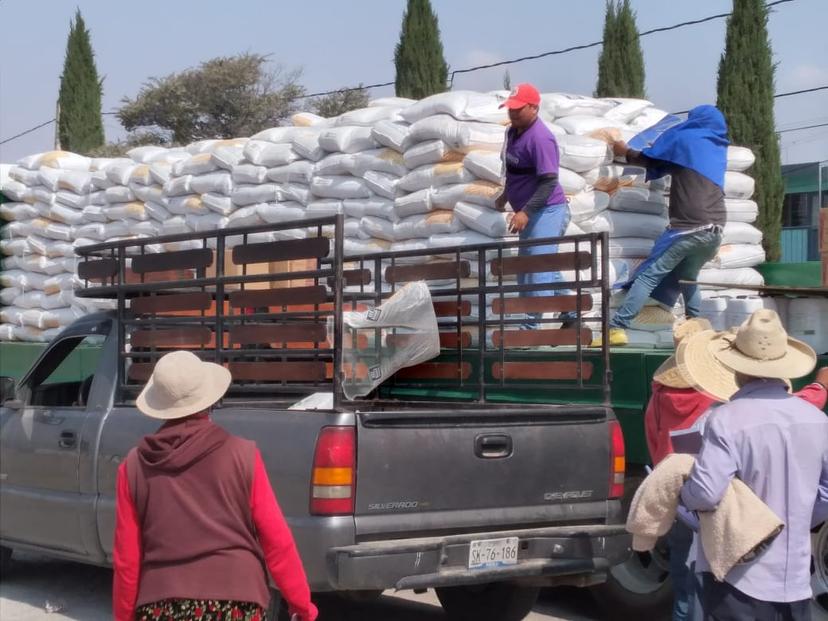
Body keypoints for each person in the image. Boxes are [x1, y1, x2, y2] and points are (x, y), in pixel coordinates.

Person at [645, 317, 828, 621]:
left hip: (736, 574)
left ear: (737, 367)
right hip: (795, 576)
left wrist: (680, 495)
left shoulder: (726, 420)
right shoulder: (817, 420)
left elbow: (705, 494)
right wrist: (794, 518)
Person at [113, 350, 318, 621]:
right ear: (208, 400)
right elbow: (276, 539)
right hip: (238, 602)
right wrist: (301, 606)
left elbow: (126, 561)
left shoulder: (133, 468)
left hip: (162, 605)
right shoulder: (242, 455)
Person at [607, 105, 729, 346]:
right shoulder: (717, 146)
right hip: (715, 228)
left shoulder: (686, 138)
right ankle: (697, 330)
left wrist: (625, 151)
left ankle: (616, 327)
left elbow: (648, 157)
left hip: (689, 226)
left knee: (648, 275)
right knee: (688, 279)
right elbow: (676, 164)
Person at [497, 83, 573, 330]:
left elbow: (549, 182)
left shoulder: (541, 139)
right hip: (529, 212)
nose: (513, 113)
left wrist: (525, 212)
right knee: (532, 267)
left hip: (548, 210)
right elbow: (515, 171)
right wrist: (506, 195)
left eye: (518, 109)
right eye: (510, 108)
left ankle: (530, 330)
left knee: (536, 269)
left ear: (534, 108)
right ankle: (572, 313)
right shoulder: (512, 133)